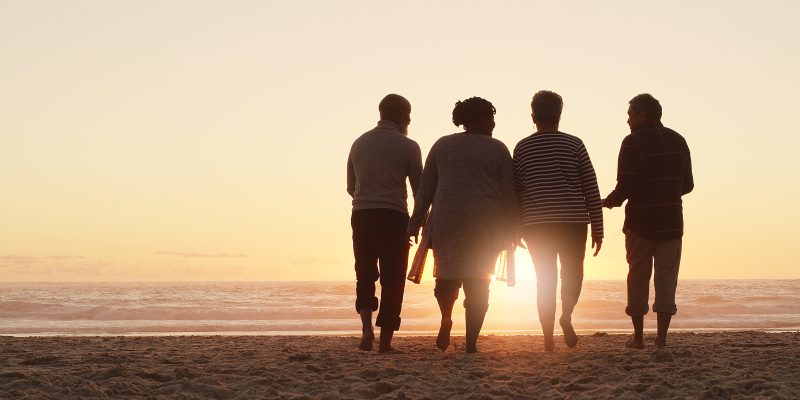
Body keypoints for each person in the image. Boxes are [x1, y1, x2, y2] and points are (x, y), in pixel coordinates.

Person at [408, 97, 517, 353]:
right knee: (479, 284)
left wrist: (415, 223)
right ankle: (470, 344)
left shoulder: (442, 145)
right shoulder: (498, 149)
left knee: (446, 278)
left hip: (448, 220)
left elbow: (425, 190)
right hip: (484, 224)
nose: (493, 123)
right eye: (490, 117)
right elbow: (509, 193)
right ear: (479, 119)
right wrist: (514, 227)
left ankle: (446, 317)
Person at [513, 90, 604, 351]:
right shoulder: (574, 144)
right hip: (573, 220)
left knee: (545, 278)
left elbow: (516, 190)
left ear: (533, 116)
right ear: (559, 116)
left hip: (536, 224)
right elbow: (591, 188)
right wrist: (598, 228)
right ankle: (567, 315)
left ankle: (548, 339)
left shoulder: (522, 147)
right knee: (573, 272)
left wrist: (517, 226)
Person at [602, 93, 693, 350]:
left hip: (640, 223)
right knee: (666, 279)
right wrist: (666, 193)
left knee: (638, 277)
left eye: (630, 114)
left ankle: (639, 337)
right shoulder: (679, 141)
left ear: (642, 114)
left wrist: (608, 201)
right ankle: (662, 340)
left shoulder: (632, 142)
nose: (627, 120)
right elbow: (688, 184)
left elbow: (626, 185)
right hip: (672, 222)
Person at [347, 94, 423, 352]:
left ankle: (367, 329)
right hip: (394, 216)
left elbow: (350, 186)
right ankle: (386, 343)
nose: (410, 121)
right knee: (393, 279)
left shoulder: (359, 143)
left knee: (365, 273)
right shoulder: (409, 145)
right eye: (409, 116)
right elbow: (419, 191)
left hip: (362, 214)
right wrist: (418, 222)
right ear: (402, 116)